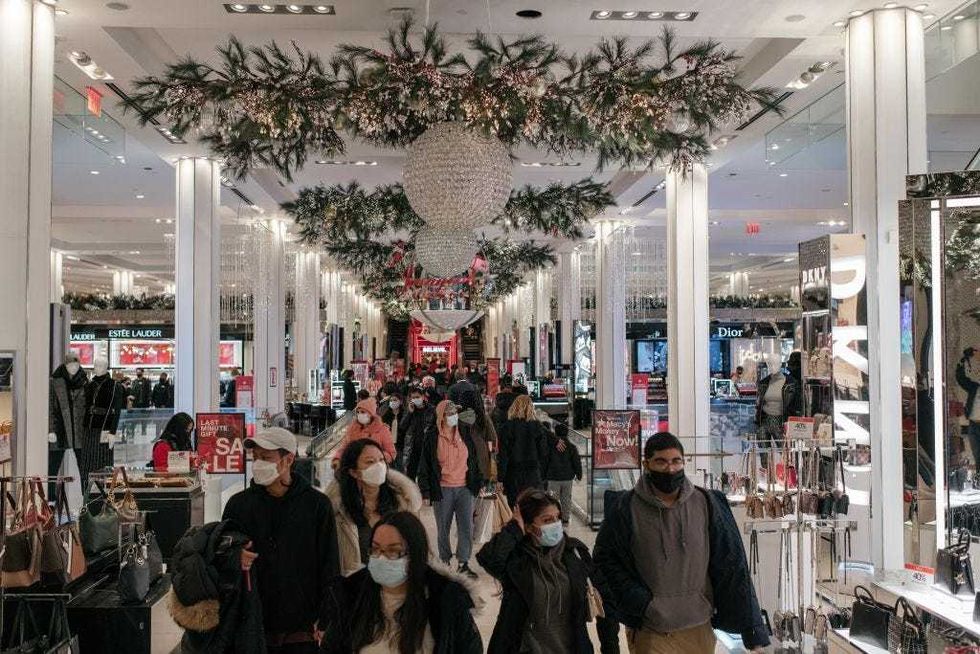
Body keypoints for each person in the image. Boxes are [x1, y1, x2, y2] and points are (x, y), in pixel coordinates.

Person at [593, 432, 769, 653]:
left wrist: (752, 632)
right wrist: (641, 603)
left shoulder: (707, 503)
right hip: (652, 631)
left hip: (699, 628)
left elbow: (733, 566)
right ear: (646, 464)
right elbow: (604, 561)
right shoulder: (625, 507)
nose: (670, 469)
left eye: (676, 461)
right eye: (661, 462)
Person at [222, 427, 340, 654]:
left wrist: (327, 618)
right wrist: (234, 555)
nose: (258, 464)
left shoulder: (317, 505)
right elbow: (221, 550)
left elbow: (329, 563)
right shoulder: (238, 505)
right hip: (252, 625)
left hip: (302, 630)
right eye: (255, 458)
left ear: (288, 459)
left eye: (266, 458)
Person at [320, 511, 483, 654]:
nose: (381, 558)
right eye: (376, 549)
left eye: (393, 551)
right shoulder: (352, 595)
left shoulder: (446, 600)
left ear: (415, 555)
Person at [477, 488, 598, 654]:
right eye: (547, 520)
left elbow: (604, 593)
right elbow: (488, 558)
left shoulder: (575, 552)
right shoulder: (517, 560)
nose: (556, 524)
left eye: (557, 518)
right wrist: (514, 528)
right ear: (528, 527)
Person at [327, 439, 423, 576]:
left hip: (396, 585)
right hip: (357, 589)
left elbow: (418, 549)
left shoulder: (402, 504)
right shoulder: (338, 513)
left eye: (381, 460)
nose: (379, 466)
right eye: (370, 462)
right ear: (354, 472)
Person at [416, 399, 484, 579]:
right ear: (441, 416)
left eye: (455, 412)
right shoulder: (432, 437)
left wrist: (478, 482)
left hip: (464, 488)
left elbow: (474, 459)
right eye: (450, 413)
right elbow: (425, 466)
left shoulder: (464, 432)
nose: (454, 415)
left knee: (466, 527)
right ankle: (444, 561)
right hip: (442, 489)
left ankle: (463, 562)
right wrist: (425, 491)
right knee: (443, 529)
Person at [498, 394, 549, 507]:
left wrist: (500, 478)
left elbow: (503, 455)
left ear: (514, 407)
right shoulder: (538, 427)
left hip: (513, 475)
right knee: (532, 509)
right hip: (533, 474)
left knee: (514, 508)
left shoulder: (506, 427)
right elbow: (544, 453)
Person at [543, 422, 582, 526]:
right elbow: (576, 462)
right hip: (567, 478)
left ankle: (553, 519)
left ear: (555, 433)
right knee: (566, 499)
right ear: (567, 433)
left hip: (553, 478)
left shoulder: (551, 446)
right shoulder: (572, 447)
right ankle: (565, 520)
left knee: (552, 500)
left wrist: (543, 475)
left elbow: (545, 461)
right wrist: (579, 475)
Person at [455, 385, 497, 484]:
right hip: (481, 459)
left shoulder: (456, 418)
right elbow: (492, 438)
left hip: (459, 459)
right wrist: (490, 452)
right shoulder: (483, 417)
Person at [337, 398, 397, 463]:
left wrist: (375, 456)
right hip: (355, 469)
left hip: (374, 469)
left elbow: (391, 454)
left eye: (363, 412)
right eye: (358, 412)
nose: (359, 414)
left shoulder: (382, 430)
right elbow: (343, 448)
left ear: (371, 414)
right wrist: (337, 459)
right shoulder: (352, 429)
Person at [403, 387, 436, 481]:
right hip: (413, 448)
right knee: (410, 475)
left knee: (426, 475)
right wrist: (410, 413)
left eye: (417, 397)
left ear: (422, 396)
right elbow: (403, 426)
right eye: (413, 398)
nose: (415, 399)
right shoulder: (410, 410)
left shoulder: (431, 409)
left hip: (427, 447)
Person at [957, 347, 980, 466]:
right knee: (976, 456)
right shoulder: (975, 388)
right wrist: (962, 361)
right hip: (973, 425)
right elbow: (961, 379)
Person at [379, 392, 409, 470]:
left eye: (395, 400)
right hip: (388, 445)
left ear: (401, 401)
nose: (392, 402)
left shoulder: (405, 414)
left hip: (400, 445)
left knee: (400, 467)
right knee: (390, 467)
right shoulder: (386, 415)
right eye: (391, 400)